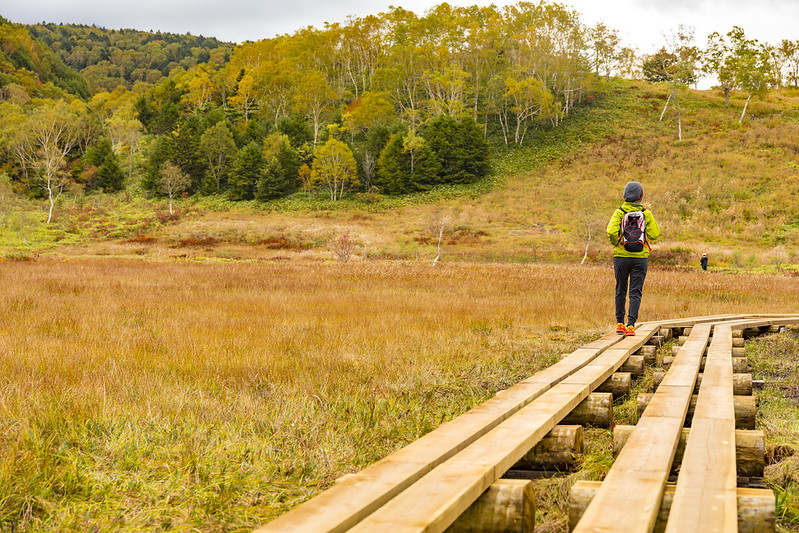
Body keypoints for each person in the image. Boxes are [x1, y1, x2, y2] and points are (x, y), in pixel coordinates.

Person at [606, 181, 661, 336]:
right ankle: (631, 325)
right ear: (640, 196)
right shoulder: (646, 213)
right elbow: (655, 234)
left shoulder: (619, 212)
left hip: (621, 256)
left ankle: (619, 324)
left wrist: (618, 242)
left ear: (625, 194)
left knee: (620, 289)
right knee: (635, 291)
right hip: (640, 258)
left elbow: (610, 231)